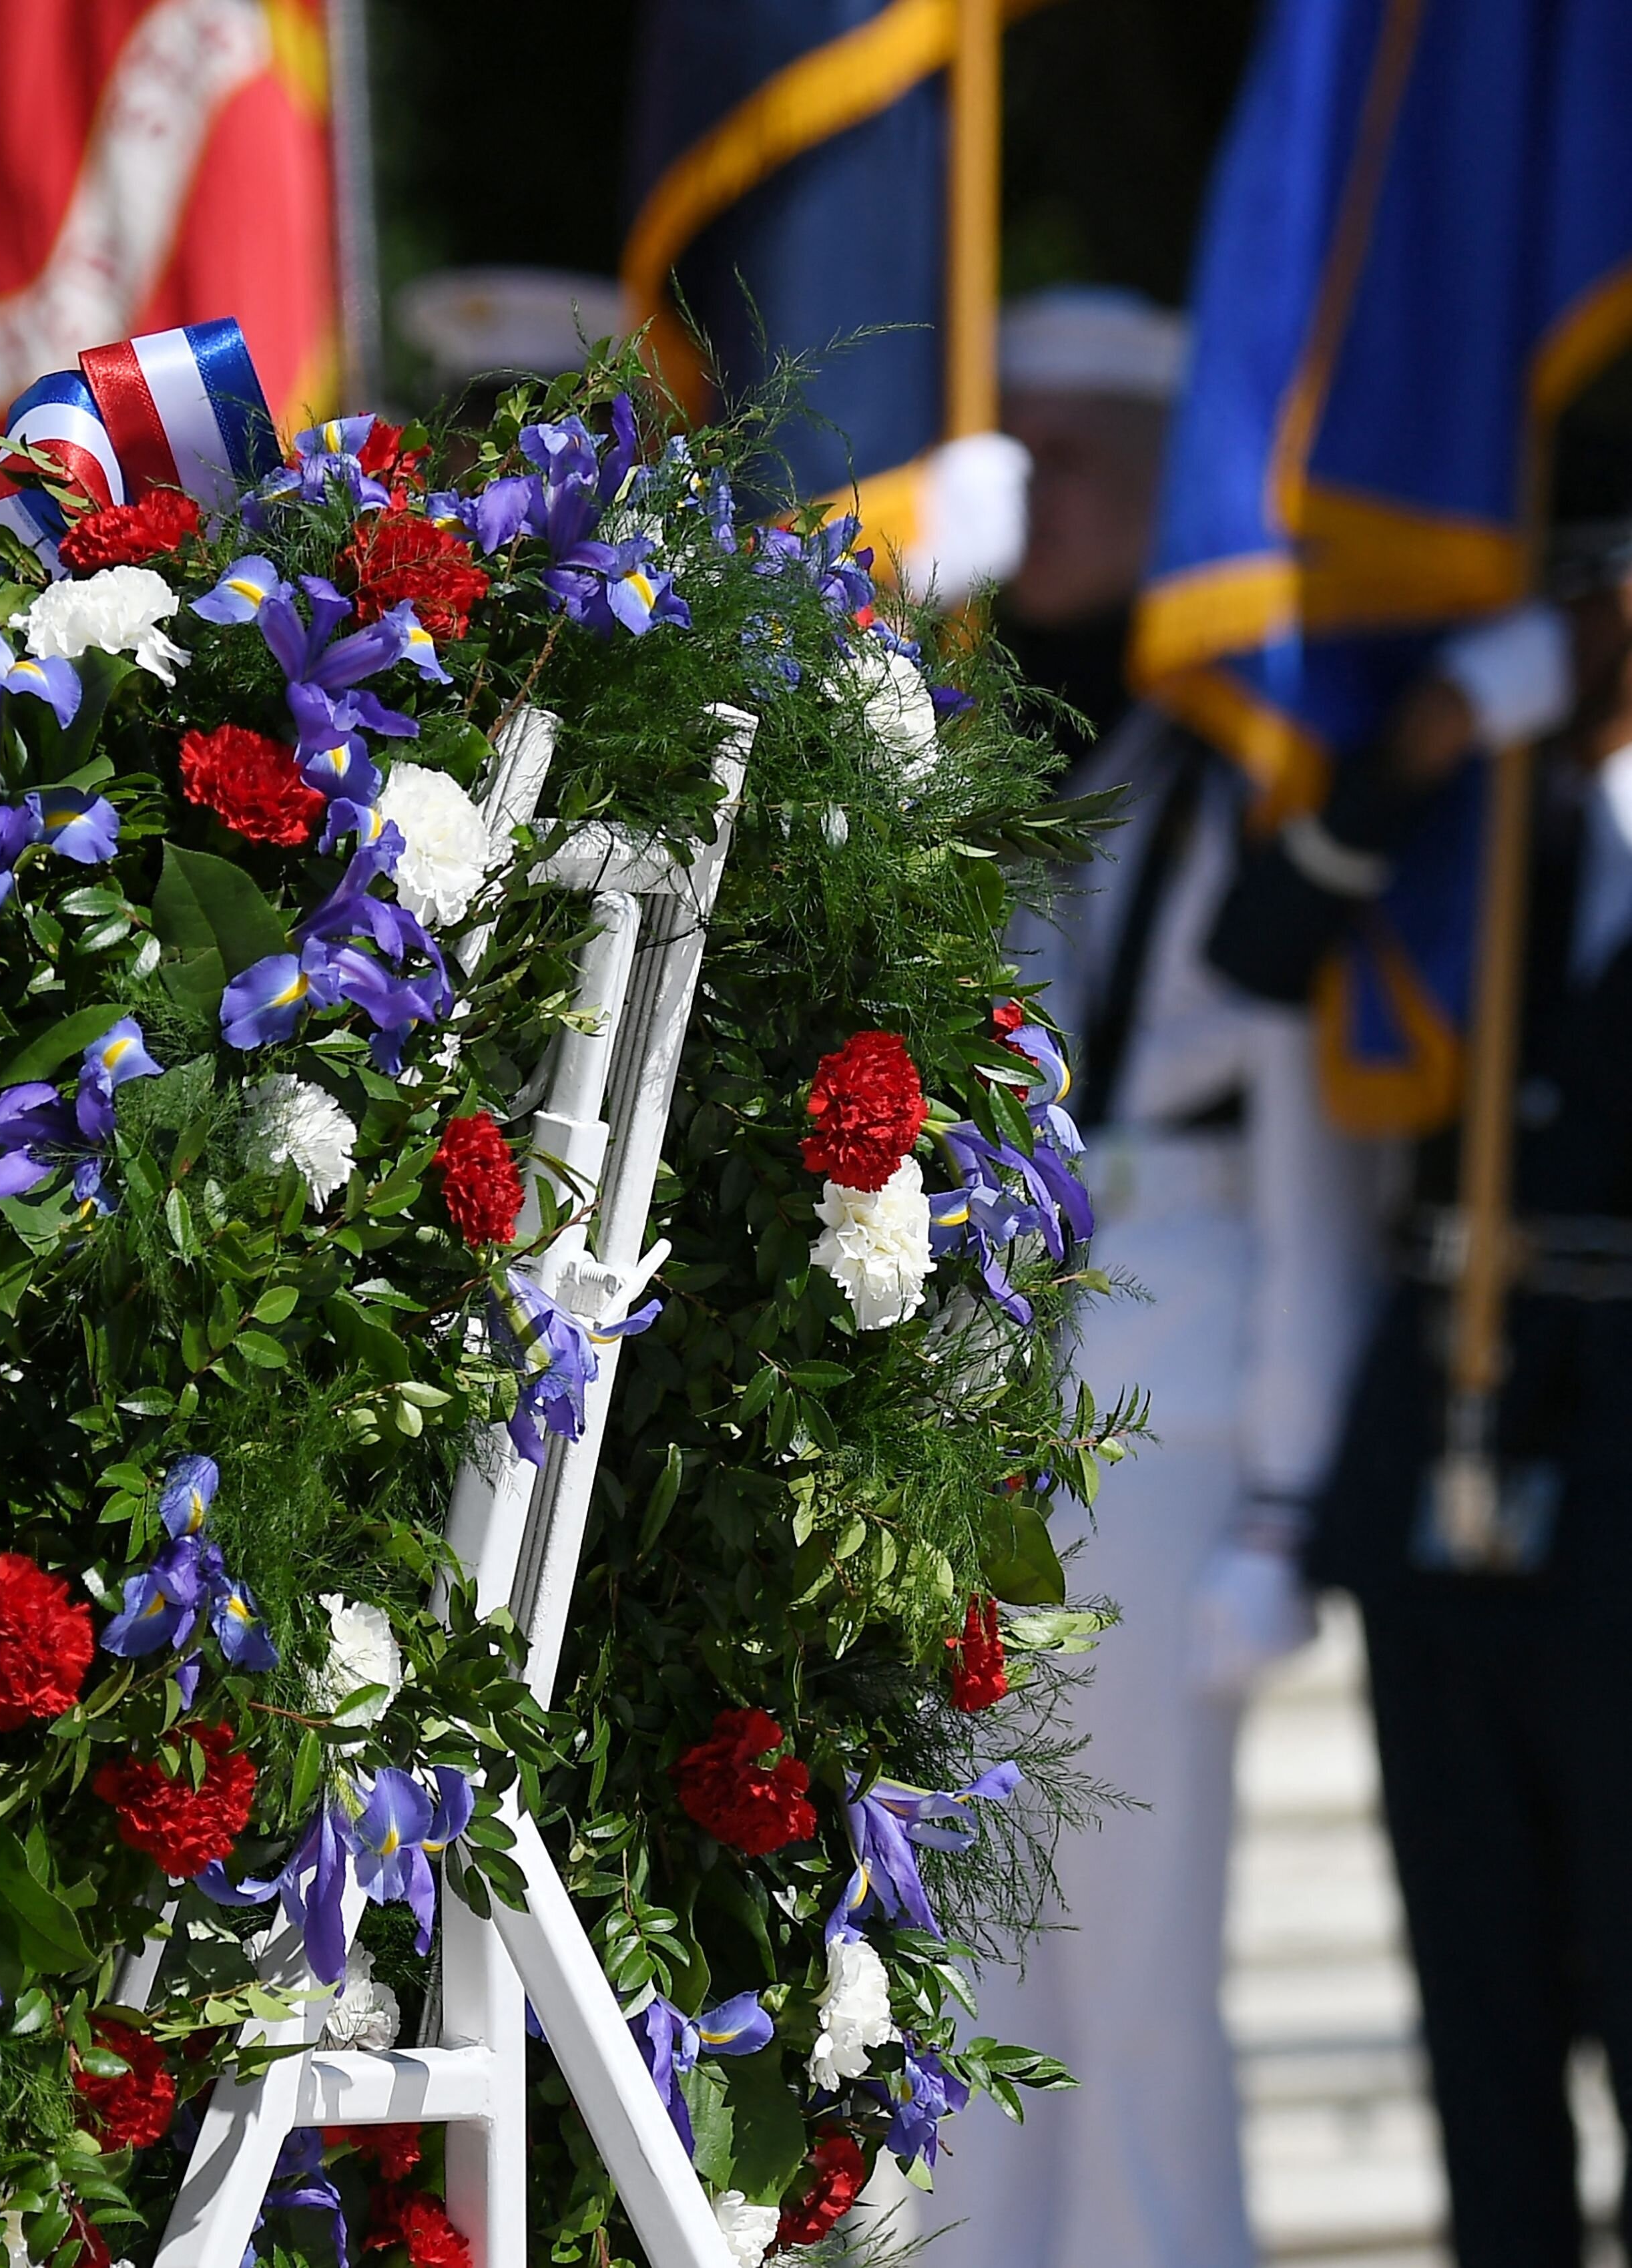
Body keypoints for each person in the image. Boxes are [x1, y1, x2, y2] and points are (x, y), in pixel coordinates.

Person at [934, 287, 1380, 2268]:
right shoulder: (946, 743)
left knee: (1133, 1963)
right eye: (1017, 453)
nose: (1051, 500)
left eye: (1086, 457)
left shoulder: (1234, 767)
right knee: (964, 1956)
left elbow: (1306, 1156)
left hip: (1174, 1404)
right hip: (966, 1409)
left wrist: (1289, 1490)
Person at [1207, 526, 1632, 2268]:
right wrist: (1435, 742)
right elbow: (1261, 942)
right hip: (1441, 1422)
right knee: (1474, 1979)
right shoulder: (1477, 817)